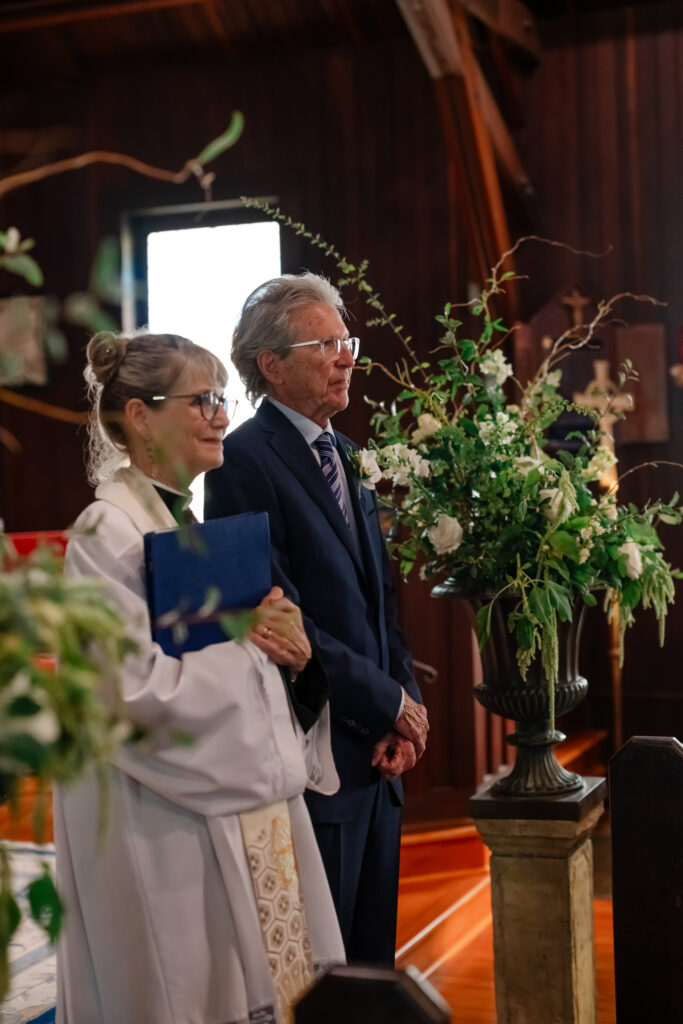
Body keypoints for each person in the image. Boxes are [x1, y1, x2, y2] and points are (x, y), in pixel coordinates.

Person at [56, 329, 344, 1024]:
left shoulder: (190, 524)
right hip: (155, 823)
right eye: (202, 399)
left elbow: (235, 650)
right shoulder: (106, 535)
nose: (222, 414)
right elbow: (131, 695)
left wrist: (294, 656)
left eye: (222, 397)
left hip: (230, 806)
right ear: (140, 416)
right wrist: (251, 645)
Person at [204, 274, 428, 967]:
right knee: (324, 975)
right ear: (271, 365)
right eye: (325, 343)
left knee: (372, 968)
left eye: (346, 340)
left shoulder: (348, 453)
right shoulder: (240, 462)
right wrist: (383, 700)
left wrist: (406, 703)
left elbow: (379, 600)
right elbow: (280, 617)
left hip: (378, 757)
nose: (346, 357)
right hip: (320, 751)